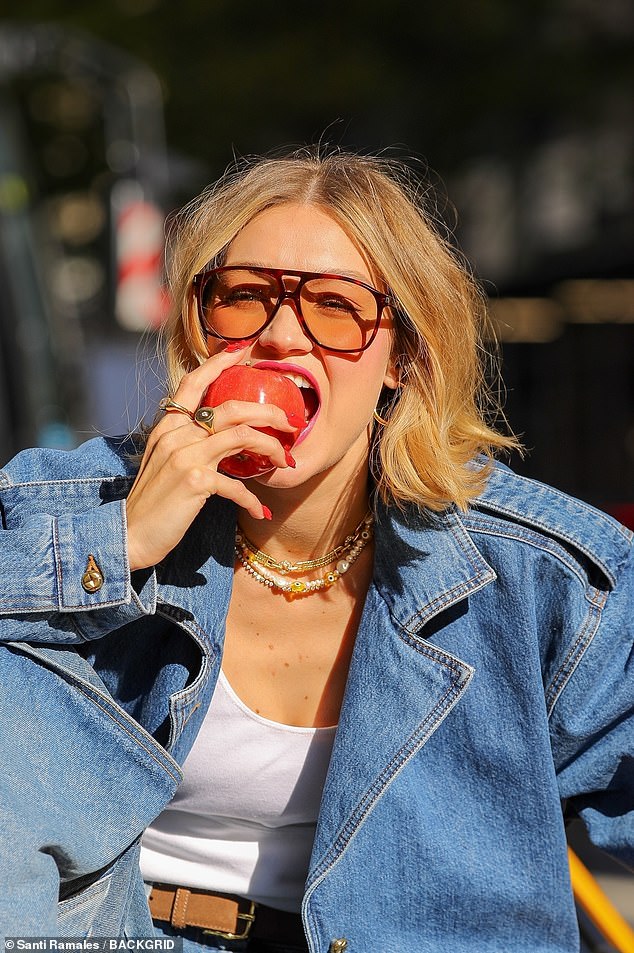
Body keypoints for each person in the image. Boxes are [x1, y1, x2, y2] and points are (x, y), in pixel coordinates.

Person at [0, 147, 632, 953]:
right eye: (245, 296)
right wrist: (115, 543)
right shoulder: (75, 504)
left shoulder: (548, 576)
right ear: (201, 328)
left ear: (401, 353)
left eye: (335, 306)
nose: (280, 336)